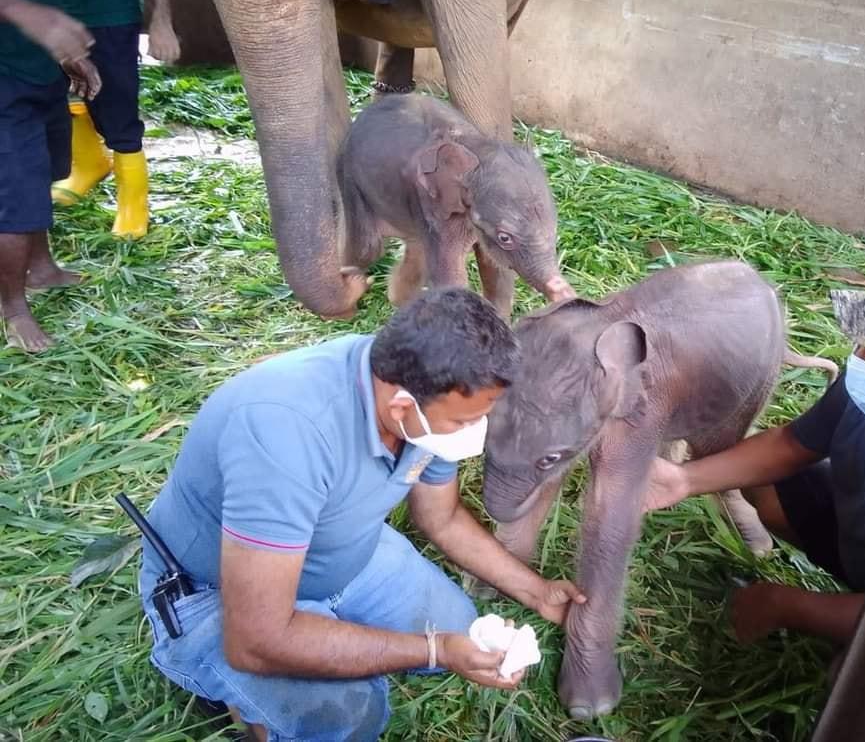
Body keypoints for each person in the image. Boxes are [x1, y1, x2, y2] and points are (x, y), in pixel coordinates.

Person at [138, 288, 586, 742]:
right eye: (463, 423)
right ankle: (240, 704)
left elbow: (443, 518)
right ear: (401, 407)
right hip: (217, 590)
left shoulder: (432, 399)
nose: (475, 434)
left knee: (461, 625)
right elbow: (256, 639)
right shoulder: (286, 435)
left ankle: (325, 633)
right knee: (350, 718)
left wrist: (537, 592)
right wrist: (437, 651)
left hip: (343, 546)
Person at [643, 265, 865, 644]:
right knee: (776, 486)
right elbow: (791, 444)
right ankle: (853, 591)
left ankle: (852, 623)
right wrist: (683, 479)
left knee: (852, 679)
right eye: (864, 347)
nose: (863, 363)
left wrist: (790, 605)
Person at [1, 0, 101, 353]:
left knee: (39, 172)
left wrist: (62, 51)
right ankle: (13, 309)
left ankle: (40, 268)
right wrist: (27, 14)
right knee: (13, 200)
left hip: (36, 65)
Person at [46, 0, 179, 239]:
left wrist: (161, 20)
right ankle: (89, 165)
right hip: (49, 12)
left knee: (117, 109)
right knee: (60, 95)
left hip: (109, 12)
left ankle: (133, 200)